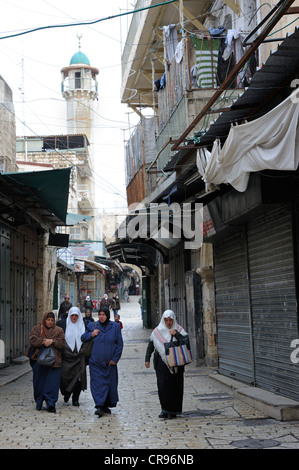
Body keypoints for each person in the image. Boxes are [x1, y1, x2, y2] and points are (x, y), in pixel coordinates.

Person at [145, 310, 188, 420]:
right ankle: (164, 410)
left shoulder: (179, 329)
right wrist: (147, 359)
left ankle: (173, 411)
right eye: (166, 320)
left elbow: (186, 342)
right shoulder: (157, 332)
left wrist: (176, 334)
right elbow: (151, 345)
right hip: (162, 364)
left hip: (176, 364)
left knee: (175, 387)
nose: (168, 323)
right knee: (163, 386)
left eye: (170, 320)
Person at [81, 306, 123, 417]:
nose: (101, 317)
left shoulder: (115, 327)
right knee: (97, 385)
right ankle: (99, 406)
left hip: (110, 363)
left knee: (109, 384)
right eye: (100, 314)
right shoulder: (92, 326)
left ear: (107, 315)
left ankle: (105, 405)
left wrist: (115, 359)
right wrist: (91, 334)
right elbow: (83, 337)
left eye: (103, 314)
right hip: (96, 363)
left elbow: (119, 344)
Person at [29, 311, 65, 412]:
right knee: (39, 382)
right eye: (48, 320)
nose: (50, 322)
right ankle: (39, 402)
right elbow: (32, 340)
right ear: (44, 320)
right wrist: (44, 341)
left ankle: (51, 403)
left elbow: (62, 343)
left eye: (52, 320)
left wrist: (52, 342)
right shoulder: (37, 329)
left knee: (53, 382)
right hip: (39, 360)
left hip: (54, 361)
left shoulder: (59, 330)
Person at [57, 307, 87, 407]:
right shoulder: (62, 325)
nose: (74, 317)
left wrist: (84, 348)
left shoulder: (84, 325)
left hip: (79, 356)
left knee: (79, 379)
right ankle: (67, 392)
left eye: (76, 316)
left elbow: (88, 339)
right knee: (65, 377)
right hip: (67, 357)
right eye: (72, 315)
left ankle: (75, 399)